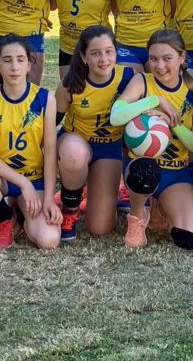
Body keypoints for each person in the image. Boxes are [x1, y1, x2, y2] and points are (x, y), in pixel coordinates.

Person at [0, 34, 61, 249]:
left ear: (29, 64)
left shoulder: (45, 98)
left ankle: (26, 216)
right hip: (4, 180)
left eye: (20, 59)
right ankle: (6, 220)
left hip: (35, 179)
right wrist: (22, 183)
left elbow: (51, 153)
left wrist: (48, 198)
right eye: (7, 60)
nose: (14, 66)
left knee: (49, 240)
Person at [115, 29, 193, 251]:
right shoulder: (142, 81)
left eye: (167, 58)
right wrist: (156, 100)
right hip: (141, 167)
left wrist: (174, 124)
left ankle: (160, 207)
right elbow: (116, 115)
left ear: (182, 57)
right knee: (145, 169)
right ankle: (137, 215)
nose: (160, 65)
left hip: (175, 172)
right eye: (153, 59)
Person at [54, 25, 135, 240]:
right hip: (76, 142)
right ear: (83, 56)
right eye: (95, 53)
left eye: (109, 51)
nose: (104, 59)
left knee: (100, 228)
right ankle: (70, 207)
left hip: (109, 147)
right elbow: (50, 123)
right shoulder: (71, 85)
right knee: (74, 153)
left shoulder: (128, 77)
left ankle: (101, 191)